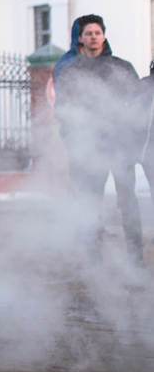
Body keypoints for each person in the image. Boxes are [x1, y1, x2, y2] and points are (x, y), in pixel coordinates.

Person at [53, 14, 145, 265]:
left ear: (104, 35)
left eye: (97, 32)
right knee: (91, 202)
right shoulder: (72, 72)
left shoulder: (122, 67)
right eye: (88, 33)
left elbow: (138, 103)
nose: (93, 37)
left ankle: (136, 259)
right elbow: (63, 108)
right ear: (80, 39)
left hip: (121, 146)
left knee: (128, 202)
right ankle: (94, 260)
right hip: (90, 148)